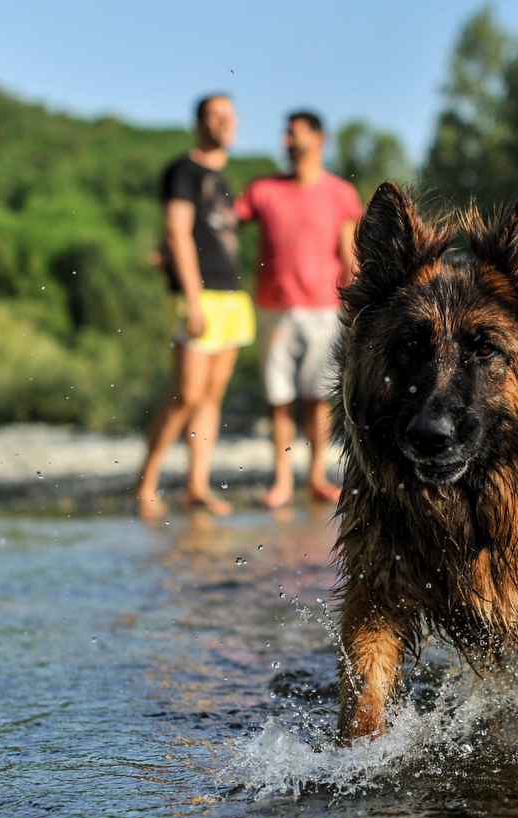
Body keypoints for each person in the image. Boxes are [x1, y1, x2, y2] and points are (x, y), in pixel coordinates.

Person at [234, 111, 363, 508]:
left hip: (324, 307)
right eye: (285, 134)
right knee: (278, 398)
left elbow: (349, 254)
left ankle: (316, 477)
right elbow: (223, 226)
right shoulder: (262, 190)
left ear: (318, 138)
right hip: (274, 306)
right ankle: (281, 482)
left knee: (317, 397)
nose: (286, 140)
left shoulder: (341, 194)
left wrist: (359, 301)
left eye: (294, 133)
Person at [136, 94, 255, 519]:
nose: (225, 123)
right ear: (199, 124)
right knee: (185, 394)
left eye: (230, 116)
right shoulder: (183, 171)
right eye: (216, 116)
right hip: (199, 295)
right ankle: (145, 484)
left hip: (231, 295)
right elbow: (177, 231)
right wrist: (191, 298)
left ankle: (196, 486)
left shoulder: (223, 178)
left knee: (211, 397)